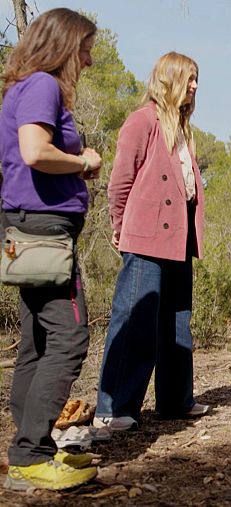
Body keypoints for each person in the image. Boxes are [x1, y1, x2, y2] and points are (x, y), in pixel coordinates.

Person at [0, 8, 102, 490]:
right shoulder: (42, 85)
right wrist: (83, 161)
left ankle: (27, 450)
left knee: (37, 341)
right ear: (63, 46)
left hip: (26, 228)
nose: (89, 59)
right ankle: (31, 455)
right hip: (42, 231)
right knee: (69, 337)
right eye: (85, 48)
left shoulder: (23, 87)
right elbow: (34, 151)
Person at [94, 52, 209, 432]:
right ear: (169, 79)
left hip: (179, 238)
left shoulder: (182, 130)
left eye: (196, 79)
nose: (195, 85)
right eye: (189, 78)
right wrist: (119, 225)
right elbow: (120, 181)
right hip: (144, 237)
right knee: (135, 320)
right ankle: (114, 407)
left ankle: (176, 401)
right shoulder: (142, 120)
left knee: (177, 323)